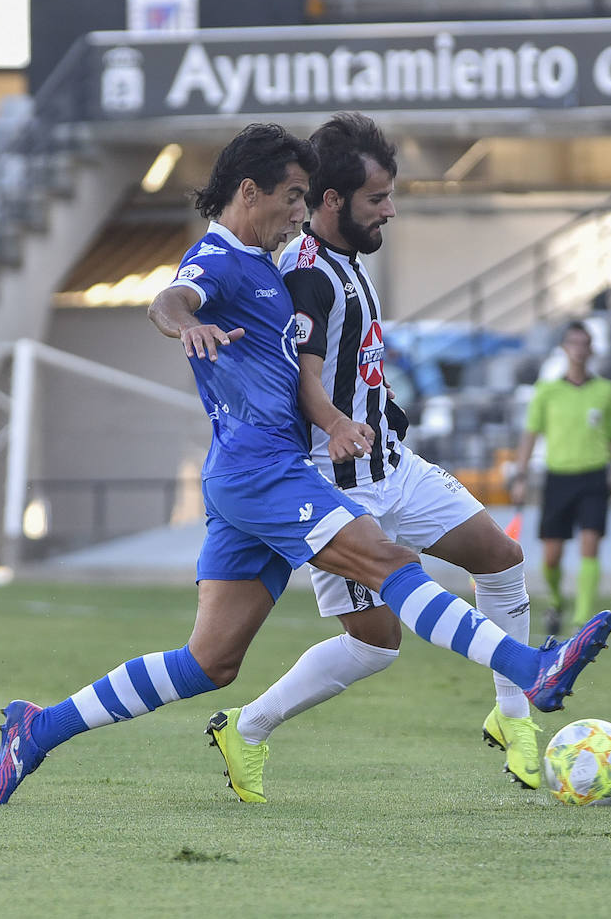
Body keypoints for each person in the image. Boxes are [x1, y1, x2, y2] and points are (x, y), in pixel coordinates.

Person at [0, 124, 611, 805]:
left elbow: (303, 369)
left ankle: (38, 726)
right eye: (291, 197)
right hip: (266, 471)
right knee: (391, 565)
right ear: (248, 192)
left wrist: (352, 412)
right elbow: (170, 299)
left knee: (211, 661)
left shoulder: (267, 263)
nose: (298, 211)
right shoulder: (221, 259)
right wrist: (185, 325)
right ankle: (533, 668)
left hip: (242, 474)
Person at [199, 112, 543, 802]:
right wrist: (332, 421)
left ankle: (515, 719)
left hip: (394, 465)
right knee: (376, 644)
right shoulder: (305, 276)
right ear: (331, 202)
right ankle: (248, 726)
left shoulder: (347, 259)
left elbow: (357, 361)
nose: (389, 211)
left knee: (501, 559)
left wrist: (381, 409)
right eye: (376, 200)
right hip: (340, 488)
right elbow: (302, 372)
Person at [510, 322, 611, 636]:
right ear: (564, 348)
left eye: (584, 343)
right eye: (573, 342)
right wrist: (521, 475)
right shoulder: (547, 391)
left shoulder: (605, 391)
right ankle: (557, 600)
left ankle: (582, 618)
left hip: (594, 475)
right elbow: (530, 435)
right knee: (551, 555)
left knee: (590, 544)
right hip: (558, 476)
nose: (579, 349)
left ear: (591, 349)